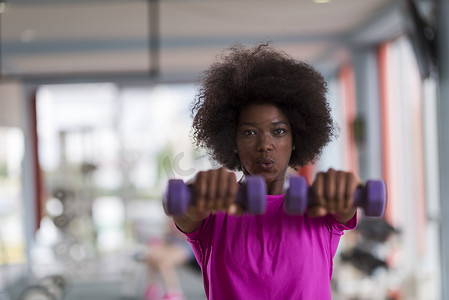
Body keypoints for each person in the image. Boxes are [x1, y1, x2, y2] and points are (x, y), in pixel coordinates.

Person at [171, 42, 360, 299]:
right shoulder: (212, 211)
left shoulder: (319, 205)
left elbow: (346, 205)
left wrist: (345, 187)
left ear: (296, 139)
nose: (265, 145)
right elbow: (186, 212)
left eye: (278, 131)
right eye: (249, 132)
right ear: (233, 142)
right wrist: (197, 192)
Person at [143, 219, 194, 300]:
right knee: (151, 257)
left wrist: (177, 232)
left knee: (165, 262)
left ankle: (174, 293)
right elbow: (166, 242)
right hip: (171, 247)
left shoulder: (187, 216)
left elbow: (190, 236)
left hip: (186, 248)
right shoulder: (170, 218)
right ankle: (153, 286)